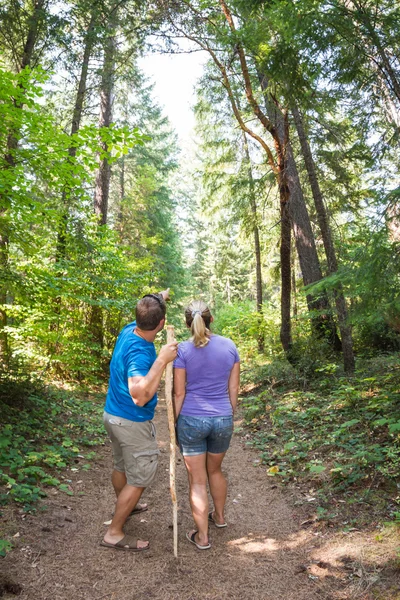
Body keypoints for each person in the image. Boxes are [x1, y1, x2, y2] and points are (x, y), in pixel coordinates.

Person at [101, 289, 178, 552]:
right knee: (139, 477)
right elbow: (139, 395)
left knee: (122, 466)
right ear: (161, 324)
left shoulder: (129, 328)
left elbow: (150, 303)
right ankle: (114, 532)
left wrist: (160, 295)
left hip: (113, 415)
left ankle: (128, 505)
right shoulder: (142, 354)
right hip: (130, 421)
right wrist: (162, 360)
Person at [173, 300, 240, 550]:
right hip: (222, 418)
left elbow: (179, 394)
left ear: (187, 323)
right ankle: (219, 518)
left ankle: (202, 537)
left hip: (191, 419)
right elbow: (233, 388)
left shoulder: (182, 350)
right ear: (211, 319)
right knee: (215, 471)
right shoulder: (230, 346)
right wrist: (229, 413)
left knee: (198, 480)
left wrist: (175, 422)